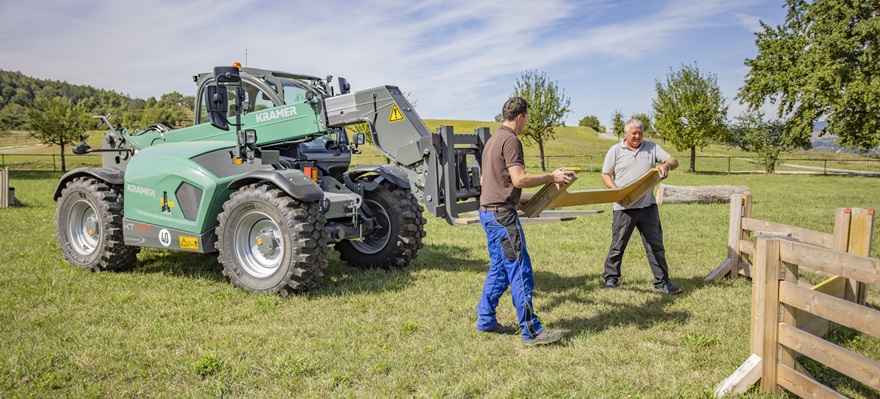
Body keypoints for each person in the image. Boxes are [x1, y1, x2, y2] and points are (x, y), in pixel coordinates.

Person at [476, 96, 574, 346]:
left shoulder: (492, 140)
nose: (527, 123)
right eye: (527, 118)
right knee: (520, 269)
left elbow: (487, 181)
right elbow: (518, 179)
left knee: (499, 269)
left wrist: (515, 199)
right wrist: (551, 176)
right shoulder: (510, 140)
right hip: (502, 218)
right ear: (520, 117)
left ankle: (485, 320)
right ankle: (531, 331)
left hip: (488, 213)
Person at [601, 118, 682, 294]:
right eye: (634, 133)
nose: (637, 136)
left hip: (648, 207)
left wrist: (666, 165)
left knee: (655, 245)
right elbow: (605, 174)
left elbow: (673, 160)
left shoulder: (651, 147)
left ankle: (662, 282)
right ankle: (611, 278)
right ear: (625, 134)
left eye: (640, 133)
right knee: (618, 244)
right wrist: (617, 193)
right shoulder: (615, 150)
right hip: (624, 207)